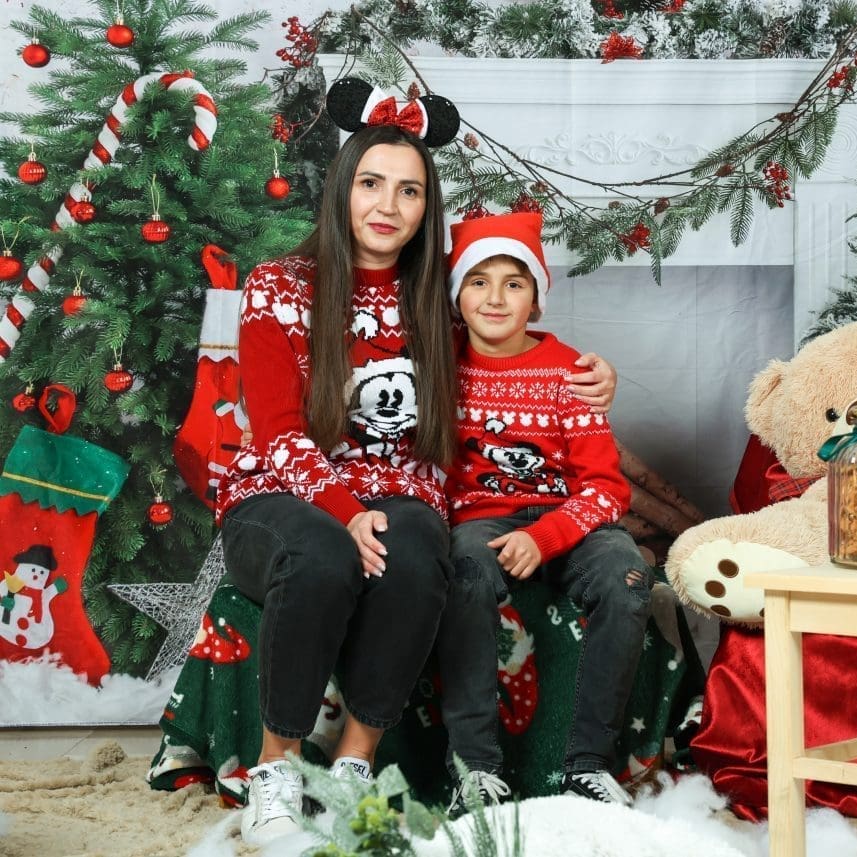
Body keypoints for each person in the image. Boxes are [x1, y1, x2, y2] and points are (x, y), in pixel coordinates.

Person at [217, 83, 616, 846]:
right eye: (372, 183)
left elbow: (511, 344)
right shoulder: (279, 286)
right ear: (343, 187)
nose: (388, 205)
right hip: (280, 495)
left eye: (409, 191)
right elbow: (276, 433)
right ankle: (275, 768)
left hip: (402, 492)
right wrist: (345, 512)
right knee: (323, 551)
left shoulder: (435, 295)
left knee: (418, 544)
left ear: (427, 208)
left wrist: (592, 378)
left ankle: (354, 762)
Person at [434, 212, 652, 813]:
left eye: (514, 283)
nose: (495, 298)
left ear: (535, 298)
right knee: (465, 570)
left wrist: (547, 536)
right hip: (481, 521)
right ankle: (474, 768)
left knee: (627, 577)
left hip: (571, 517)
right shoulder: (438, 366)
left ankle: (588, 765)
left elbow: (606, 489)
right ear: (456, 296)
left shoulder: (569, 373)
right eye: (478, 281)